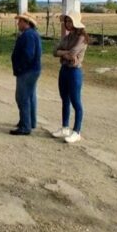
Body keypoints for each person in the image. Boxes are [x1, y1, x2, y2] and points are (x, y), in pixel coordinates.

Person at [51, 11, 88, 143]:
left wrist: (64, 53)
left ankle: (76, 131)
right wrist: (65, 53)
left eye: (70, 21)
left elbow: (73, 53)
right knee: (64, 99)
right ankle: (65, 127)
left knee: (75, 101)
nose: (68, 24)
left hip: (74, 72)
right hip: (64, 70)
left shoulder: (82, 38)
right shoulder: (68, 37)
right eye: (66, 21)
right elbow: (55, 51)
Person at [10, 12, 42, 135]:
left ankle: (25, 126)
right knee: (30, 96)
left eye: (20, 21)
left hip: (27, 71)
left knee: (22, 98)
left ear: (27, 23)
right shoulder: (32, 34)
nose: (18, 23)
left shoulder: (28, 35)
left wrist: (20, 68)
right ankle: (30, 121)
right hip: (32, 70)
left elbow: (28, 55)